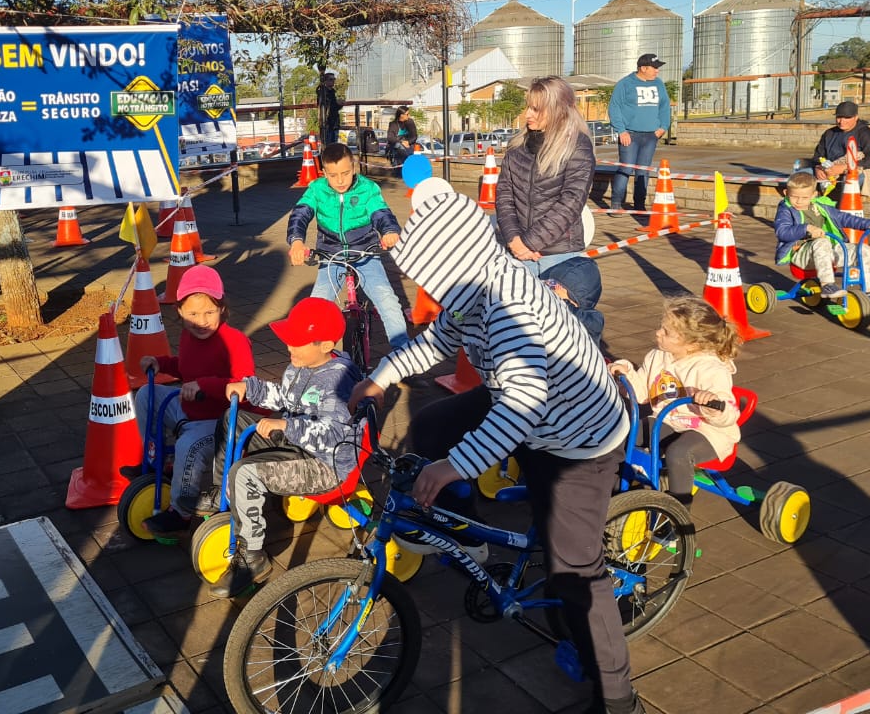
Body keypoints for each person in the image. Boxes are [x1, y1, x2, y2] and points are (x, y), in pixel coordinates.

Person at [348, 182, 643, 714]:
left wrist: (455, 467)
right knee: (434, 426)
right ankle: (469, 538)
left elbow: (524, 404)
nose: (429, 289)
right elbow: (440, 340)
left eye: (430, 278)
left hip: (578, 438)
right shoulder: (472, 292)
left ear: (450, 266)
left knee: (575, 572)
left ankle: (620, 698)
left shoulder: (512, 310)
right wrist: (381, 376)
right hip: (527, 405)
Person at [207, 297, 363, 598]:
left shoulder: (338, 380)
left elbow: (334, 434)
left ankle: (252, 559)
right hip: (298, 442)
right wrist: (249, 388)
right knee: (233, 419)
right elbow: (283, 397)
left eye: (297, 342)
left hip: (325, 464)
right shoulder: (300, 365)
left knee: (246, 473)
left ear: (326, 344)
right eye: (288, 340)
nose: (289, 347)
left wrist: (287, 426)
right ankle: (220, 492)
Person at [129, 264, 261, 537]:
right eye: (193, 313)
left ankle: (181, 512)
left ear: (222, 308)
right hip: (191, 409)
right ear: (179, 311)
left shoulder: (235, 341)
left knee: (188, 444)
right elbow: (186, 366)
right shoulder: (190, 335)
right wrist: (161, 363)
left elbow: (245, 386)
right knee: (145, 394)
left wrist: (204, 385)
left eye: (209, 312)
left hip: (221, 419)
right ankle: (156, 459)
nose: (201, 321)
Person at [608, 296, 742, 509]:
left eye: (666, 332)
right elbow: (642, 393)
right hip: (667, 421)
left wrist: (712, 404)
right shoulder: (657, 356)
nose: (658, 333)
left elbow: (729, 413)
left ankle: (677, 516)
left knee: (678, 453)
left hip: (709, 431)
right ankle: (612, 493)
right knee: (623, 433)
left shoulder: (711, 369)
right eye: (660, 327)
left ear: (692, 344)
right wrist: (625, 373)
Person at [287, 141, 409, 349]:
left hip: (365, 254)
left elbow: (381, 213)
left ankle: (405, 356)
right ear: (323, 172)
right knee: (316, 307)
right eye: (333, 175)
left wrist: (389, 231)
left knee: (388, 301)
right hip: (330, 256)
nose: (340, 180)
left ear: (354, 167)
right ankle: (310, 359)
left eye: (345, 172)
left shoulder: (367, 188)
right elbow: (300, 214)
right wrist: (297, 242)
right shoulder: (316, 189)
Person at [496, 75, 596, 276]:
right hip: (517, 253)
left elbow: (571, 202)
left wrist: (529, 242)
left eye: (536, 109)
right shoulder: (517, 148)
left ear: (557, 109)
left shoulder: (577, 146)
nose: (527, 114)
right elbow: (504, 197)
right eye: (528, 107)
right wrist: (514, 239)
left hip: (559, 255)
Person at [775, 171, 870, 315]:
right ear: (786, 193)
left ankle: (868, 292)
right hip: (801, 256)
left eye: (804, 197)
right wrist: (806, 229)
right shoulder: (785, 210)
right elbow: (782, 232)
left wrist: (869, 224)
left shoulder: (821, 207)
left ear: (814, 195)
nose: (799, 201)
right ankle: (827, 285)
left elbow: (845, 218)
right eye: (794, 196)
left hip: (826, 253)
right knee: (821, 242)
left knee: (863, 249)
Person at [607, 52, 672, 213]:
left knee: (643, 171)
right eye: (654, 68)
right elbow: (614, 108)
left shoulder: (659, 84)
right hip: (630, 135)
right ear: (643, 68)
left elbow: (664, 106)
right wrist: (621, 131)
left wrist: (663, 127)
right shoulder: (625, 84)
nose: (657, 71)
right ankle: (616, 204)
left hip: (651, 136)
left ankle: (639, 205)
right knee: (626, 169)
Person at [811, 100, 870, 197]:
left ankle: (843, 210)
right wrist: (818, 168)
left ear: (856, 117)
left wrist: (845, 167)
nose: (842, 121)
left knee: (849, 181)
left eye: (847, 117)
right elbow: (818, 156)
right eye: (839, 117)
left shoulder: (866, 133)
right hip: (828, 170)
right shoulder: (829, 133)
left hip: (856, 171)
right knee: (801, 176)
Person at [315, 70, 342, 144]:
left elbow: (334, 108)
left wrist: (340, 104)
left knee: (334, 144)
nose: (333, 81)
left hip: (334, 122)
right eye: (331, 79)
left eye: (334, 79)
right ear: (325, 81)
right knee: (328, 144)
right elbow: (323, 106)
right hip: (327, 123)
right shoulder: (322, 92)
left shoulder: (332, 92)